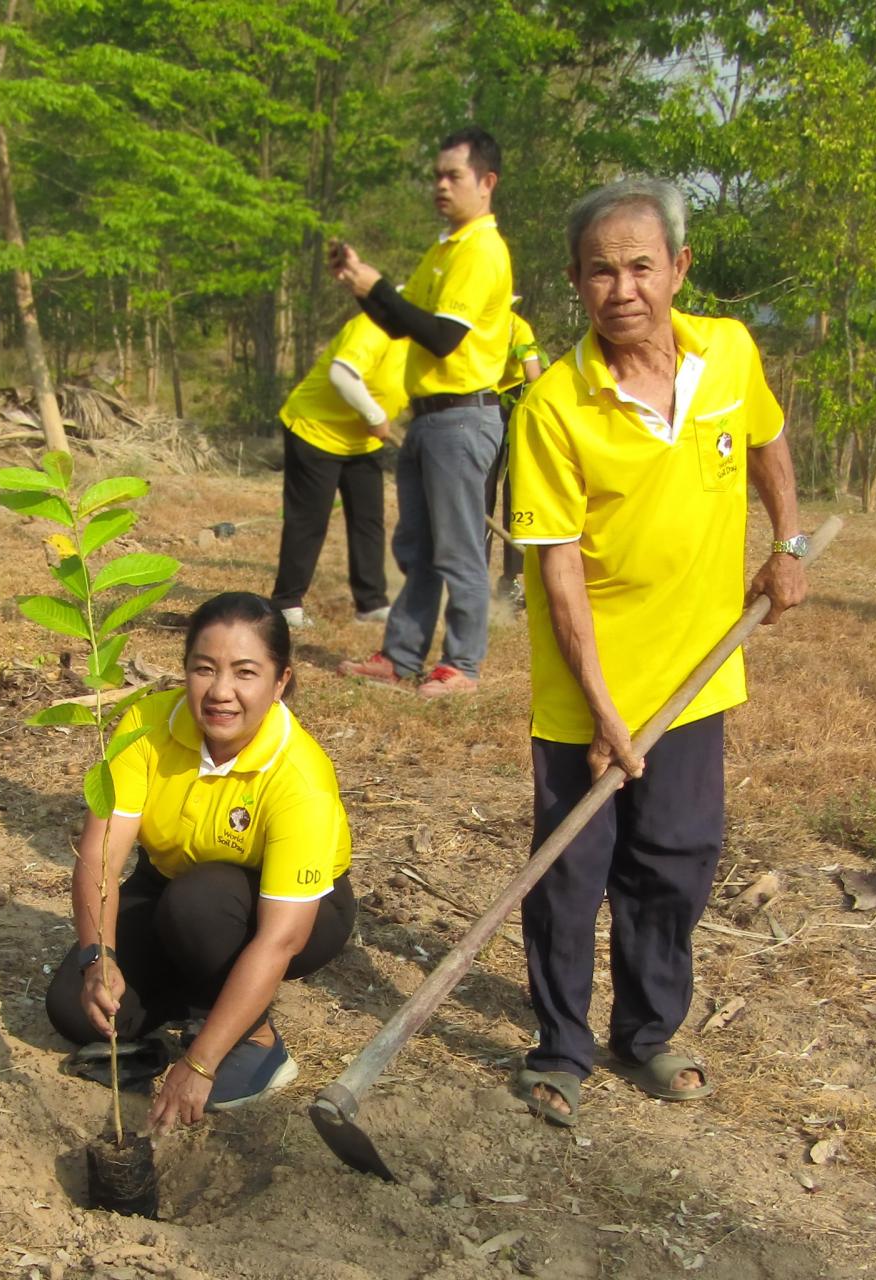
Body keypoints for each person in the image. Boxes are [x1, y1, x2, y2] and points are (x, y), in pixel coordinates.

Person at [506, 177, 809, 1126]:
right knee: (571, 871)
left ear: (678, 268)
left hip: (699, 673)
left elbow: (766, 440)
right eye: (601, 271)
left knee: (676, 858)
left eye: (641, 265)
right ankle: (562, 1045)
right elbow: (557, 576)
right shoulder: (552, 407)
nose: (623, 287)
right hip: (586, 687)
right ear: (575, 283)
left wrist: (786, 543)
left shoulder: (729, 352)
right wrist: (603, 712)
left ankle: (647, 1033)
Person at [45, 592, 356, 1131]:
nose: (221, 693)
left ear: (281, 681)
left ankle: (257, 1041)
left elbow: (280, 938)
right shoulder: (145, 727)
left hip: (282, 916)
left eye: (245, 673)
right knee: (75, 1011)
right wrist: (99, 959)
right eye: (204, 669)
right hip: (170, 888)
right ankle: (195, 1003)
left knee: (199, 904)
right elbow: (101, 855)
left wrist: (201, 1062)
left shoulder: (300, 776)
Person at [331, 125, 513, 698]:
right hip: (430, 417)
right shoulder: (445, 248)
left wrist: (378, 285)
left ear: (486, 183)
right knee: (418, 547)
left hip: (462, 417)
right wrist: (367, 291)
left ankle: (462, 665)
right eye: (436, 174)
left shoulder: (482, 250)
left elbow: (439, 338)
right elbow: (405, 323)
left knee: (458, 548)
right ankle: (402, 655)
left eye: (453, 175)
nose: (440, 184)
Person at [271, 311, 409, 629]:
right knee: (309, 520)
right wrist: (375, 415)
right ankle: (286, 603)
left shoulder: (423, 342)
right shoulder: (375, 324)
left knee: (368, 520)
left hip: (362, 442)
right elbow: (343, 374)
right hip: (315, 430)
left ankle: (371, 602)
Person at [485, 306, 545, 606]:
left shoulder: (483, 326)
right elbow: (533, 375)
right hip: (506, 408)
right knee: (513, 490)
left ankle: (483, 576)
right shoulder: (517, 326)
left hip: (480, 407)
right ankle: (507, 579)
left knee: (482, 492)